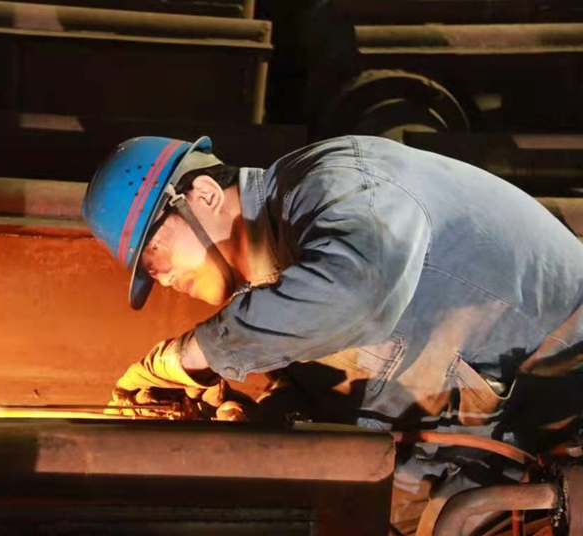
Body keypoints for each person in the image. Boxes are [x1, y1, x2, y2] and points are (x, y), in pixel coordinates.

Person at [82, 135, 583, 446]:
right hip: (518, 431)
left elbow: (355, 291)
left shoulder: (334, 183)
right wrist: (257, 422)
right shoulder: (284, 272)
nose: (162, 277)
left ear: (205, 194)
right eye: (149, 274)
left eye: (154, 252)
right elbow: (341, 382)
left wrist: (191, 356)